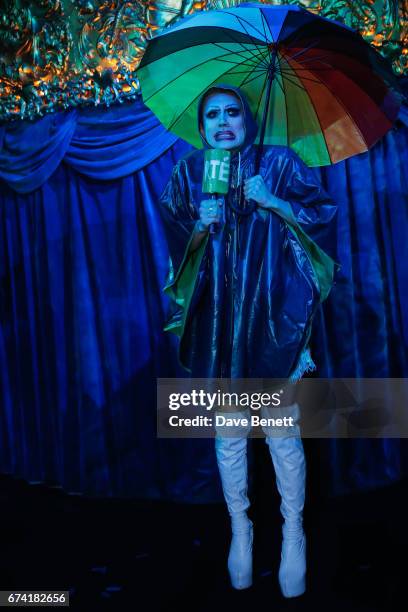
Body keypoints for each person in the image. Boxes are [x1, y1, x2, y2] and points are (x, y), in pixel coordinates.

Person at [159, 85, 338, 595]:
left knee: (281, 432)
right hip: (220, 326)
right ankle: (241, 531)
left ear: (247, 119)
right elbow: (179, 253)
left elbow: (321, 221)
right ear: (201, 127)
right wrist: (199, 225)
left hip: (272, 319)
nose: (222, 121)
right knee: (230, 434)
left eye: (232, 112)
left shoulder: (278, 164)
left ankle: (293, 534)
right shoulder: (191, 173)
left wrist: (273, 200)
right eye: (211, 114)